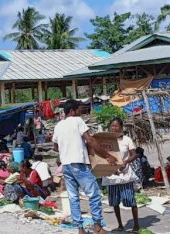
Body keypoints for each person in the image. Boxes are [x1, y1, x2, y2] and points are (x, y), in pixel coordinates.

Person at [52, 99, 116, 234]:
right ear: (72, 111)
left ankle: (80, 229)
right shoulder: (77, 121)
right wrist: (107, 156)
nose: (80, 111)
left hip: (66, 165)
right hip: (79, 163)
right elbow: (90, 140)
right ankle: (98, 226)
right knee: (93, 194)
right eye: (79, 109)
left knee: (73, 197)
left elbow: (55, 146)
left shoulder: (58, 126)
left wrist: (67, 148)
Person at [103, 119, 140, 233]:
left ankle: (136, 224)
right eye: (112, 126)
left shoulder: (127, 140)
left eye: (116, 126)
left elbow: (134, 155)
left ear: (121, 127)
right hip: (112, 177)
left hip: (125, 176)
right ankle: (120, 224)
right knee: (115, 202)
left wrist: (125, 162)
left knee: (131, 201)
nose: (114, 128)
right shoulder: (106, 140)